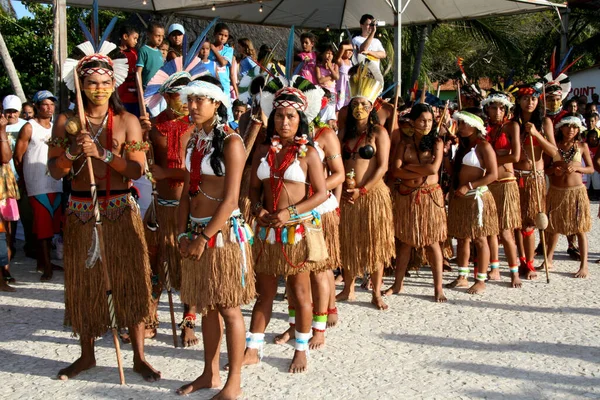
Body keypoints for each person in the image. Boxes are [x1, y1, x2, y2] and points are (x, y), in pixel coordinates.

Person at [48, 24, 160, 381]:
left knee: (131, 281)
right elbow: (55, 172)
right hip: (81, 210)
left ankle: (139, 356)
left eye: (104, 81)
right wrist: (71, 151)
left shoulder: (127, 122)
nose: (98, 88)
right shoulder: (66, 121)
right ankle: (87, 355)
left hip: (119, 209)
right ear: (80, 85)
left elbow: (137, 169)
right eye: (91, 82)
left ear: (114, 83)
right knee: (86, 283)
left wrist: (104, 155)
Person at [175, 76, 255, 398]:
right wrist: (181, 233)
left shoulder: (231, 142)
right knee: (207, 305)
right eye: (190, 99)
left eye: (200, 100)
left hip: (221, 236)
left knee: (228, 307)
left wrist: (202, 237)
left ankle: (233, 381)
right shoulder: (195, 140)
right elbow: (185, 193)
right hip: (194, 231)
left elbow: (232, 200)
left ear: (216, 102)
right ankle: (209, 373)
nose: (192, 106)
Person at [242, 76, 328, 373]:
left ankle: (301, 350)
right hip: (267, 231)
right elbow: (253, 189)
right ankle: (253, 348)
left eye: (291, 116)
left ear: (300, 118)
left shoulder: (309, 153)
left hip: (296, 232)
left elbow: (321, 193)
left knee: (299, 293)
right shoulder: (263, 151)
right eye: (279, 115)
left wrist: (289, 212)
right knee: (263, 293)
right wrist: (258, 208)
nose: (284, 121)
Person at [274, 92, 345, 348]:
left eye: (293, 111)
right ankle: (295, 325)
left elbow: (339, 175)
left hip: (318, 210)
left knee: (318, 270)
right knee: (293, 271)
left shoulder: (324, 135)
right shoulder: (277, 140)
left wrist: (313, 188)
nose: (286, 117)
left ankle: (320, 327)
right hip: (291, 212)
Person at [336, 62, 395, 309]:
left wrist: (363, 190)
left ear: (372, 108)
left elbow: (383, 167)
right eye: (355, 104)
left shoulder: (379, 133)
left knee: (375, 243)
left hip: (371, 194)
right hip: (348, 195)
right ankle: (348, 288)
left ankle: (376, 293)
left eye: (364, 105)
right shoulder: (344, 133)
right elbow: (335, 160)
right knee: (348, 240)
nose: (359, 108)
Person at [384, 103, 447, 302]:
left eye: (429, 120)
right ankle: (398, 284)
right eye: (422, 120)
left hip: (429, 195)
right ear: (413, 121)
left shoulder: (436, 141)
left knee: (432, 242)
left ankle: (438, 288)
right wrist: (419, 169)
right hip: (408, 196)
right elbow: (395, 170)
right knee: (405, 241)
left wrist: (409, 168)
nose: (426, 124)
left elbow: (433, 169)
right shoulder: (404, 143)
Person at [445, 111, 499, 294]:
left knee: (480, 238)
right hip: (461, 198)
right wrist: (445, 154)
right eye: (459, 124)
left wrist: (469, 185)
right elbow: (453, 171)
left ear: (474, 126)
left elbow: (493, 174)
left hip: (477, 196)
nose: (459, 127)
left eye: (462, 124)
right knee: (462, 238)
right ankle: (462, 276)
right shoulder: (462, 146)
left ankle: (481, 279)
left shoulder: (484, 146)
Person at [14, 91, 63, 282]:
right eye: (45, 104)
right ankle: (47, 267)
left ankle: (42, 262)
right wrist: (26, 178)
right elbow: (18, 156)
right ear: (36, 106)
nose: (49, 107)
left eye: (52, 104)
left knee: (51, 224)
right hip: (37, 182)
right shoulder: (29, 127)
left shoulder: (56, 127)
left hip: (55, 180)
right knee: (43, 226)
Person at [512, 84, 557, 279]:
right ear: (519, 101)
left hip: (534, 179)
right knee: (516, 222)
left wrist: (537, 134)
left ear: (538, 101)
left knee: (530, 223)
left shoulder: (544, 122)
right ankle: (521, 260)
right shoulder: (513, 123)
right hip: (515, 176)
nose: (529, 102)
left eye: (533, 99)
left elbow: (554, 152)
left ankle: (529, 263)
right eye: (525, 98)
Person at [482, 90, 522, 288]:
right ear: (487, 109)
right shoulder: (484, 128)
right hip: (489, 183)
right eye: (493, 107)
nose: (497, 111)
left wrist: (492, 159)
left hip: (506, 182)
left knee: (506, 232)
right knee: (490, 230)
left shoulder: (512, 126)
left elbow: (515, 156)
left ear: (506, 109)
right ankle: (494, 267)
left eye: (500, 108)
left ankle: (514, 272)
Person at [545, 115, 593, 278]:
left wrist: (578, 168)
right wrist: (554, 171)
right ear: (561, 128)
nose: (571, 130)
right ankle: (549, 259)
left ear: (579, 129)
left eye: (574, 127)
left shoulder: (582, 146)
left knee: (580, 228)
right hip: (557, 191)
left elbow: (591, 169)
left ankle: (584, 265)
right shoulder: (553, 146)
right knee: (554, 228)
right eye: (568, 126)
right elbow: (545, 169)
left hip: (576, 191)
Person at [1, 95, 24, 263]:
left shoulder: (26, 126)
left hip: (14, 179)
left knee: (11, 220)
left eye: (14, 111)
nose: (11, 115)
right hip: (4, 181)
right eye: (8, 111)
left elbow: (7, 156)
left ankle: (7, 260)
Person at [0, 112, 17, 291]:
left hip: (3, 191)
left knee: (6, 235)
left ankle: (5, 272)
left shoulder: (2, 132)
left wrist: (2, 131)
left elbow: (6, 157)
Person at [209, 22, 237, 109]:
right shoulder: (207, 49)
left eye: (225, 36)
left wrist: (213, 49)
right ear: (214, 34)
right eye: (220, 34)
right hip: (211, 83)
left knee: (224, 110)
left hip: (224, 85)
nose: (222, 38)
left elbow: (223, 63)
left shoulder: (228, 50)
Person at [117, 24, 141, 116]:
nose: (136, 41)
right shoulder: (115, 54)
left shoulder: (135, 53)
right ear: (125, 36)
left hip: (135, 98)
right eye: (134, 38)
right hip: (121, 98)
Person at [136, 21, 165, 88]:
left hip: (159, 90)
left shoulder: (159, 52)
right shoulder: (144, 50)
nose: (160, 39)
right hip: (146, 89)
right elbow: (138, 72)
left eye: (162, 36)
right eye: (157, 36)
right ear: (149, 34)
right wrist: (140, 92)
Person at [335, 40, 353, 111]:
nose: (350, 52)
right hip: (339, 88)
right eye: (348, 50)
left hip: (347, 89)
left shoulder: (351, 63)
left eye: (351, 51)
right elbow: (342, 47)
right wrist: (352, 46)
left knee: (347, 104)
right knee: (339, 102)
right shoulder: (339, 60)